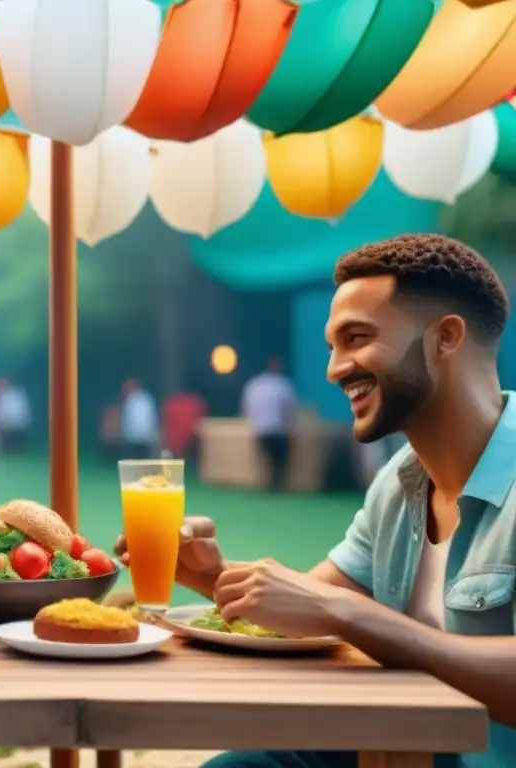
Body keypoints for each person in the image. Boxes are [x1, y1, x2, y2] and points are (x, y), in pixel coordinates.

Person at [116, 234, 516, 768]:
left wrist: (349, 613)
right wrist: (211, 576)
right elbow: (311, 604)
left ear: (445, 338)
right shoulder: (398, 483)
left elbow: (335, 609)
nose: (334, 368)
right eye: (332, 345)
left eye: (356, 338)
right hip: (389, 747)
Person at [240, 356, 297, 490]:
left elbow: (246, 408)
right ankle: (277, 486)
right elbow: (290, 409)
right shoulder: (282, 384)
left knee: (265, 460)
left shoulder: (254, 384)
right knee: (279, 462)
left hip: (260, 429)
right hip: (278, 429)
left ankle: (267, 485)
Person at [120, 379, 159, 459]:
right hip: (137, 436)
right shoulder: (145, 399)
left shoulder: (142, 400)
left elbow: (149, 418)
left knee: (140, 459)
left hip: (141, 436)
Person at [0, 378, 31, 454]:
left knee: (15, 446)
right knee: (7, 447)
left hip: (16, 426)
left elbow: (16, 413)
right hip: (8, 426)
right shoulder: (0, 398)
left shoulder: (15, 396)